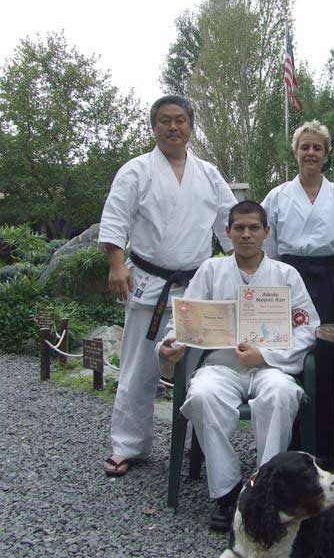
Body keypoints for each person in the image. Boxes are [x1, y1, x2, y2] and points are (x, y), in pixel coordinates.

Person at [157, 201, 319, 531]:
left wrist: (267, 356)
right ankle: (227, 490)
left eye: (253, 228)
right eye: (239, 228)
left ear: (266, 233)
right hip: (221, 364)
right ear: (228, 233)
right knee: (201, 396)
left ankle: (267, 491)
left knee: (281, 395)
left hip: (271, 366)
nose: (246, 235)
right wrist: (171, 343)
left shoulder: (286, 275)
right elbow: (186, 318)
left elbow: (308, 326)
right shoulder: (210, 271)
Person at [98, 95, 237, 477]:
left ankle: (203, 449)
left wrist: (244, 270)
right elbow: (115, 217)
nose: (173, 127)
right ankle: (129, 445)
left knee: (202, 370)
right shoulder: (136, 170)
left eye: (180, 120)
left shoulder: (208, 173)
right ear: (153, 126)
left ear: (191, 126)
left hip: (195, 287)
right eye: (164, 121)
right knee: (138, 368)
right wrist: (115, 264)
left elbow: (231, 223)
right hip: (148, 282)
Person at [261, 120, 334, 461]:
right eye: (304, 146)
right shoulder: (277, 197)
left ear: (325, 154)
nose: (310, 152)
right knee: (287, 356)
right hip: (288, 281)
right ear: (295, 152)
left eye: (316, 147)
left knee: (332, 358)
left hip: (330, 284)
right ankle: (289, 444)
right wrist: (273, 281)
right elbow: (268, 244)